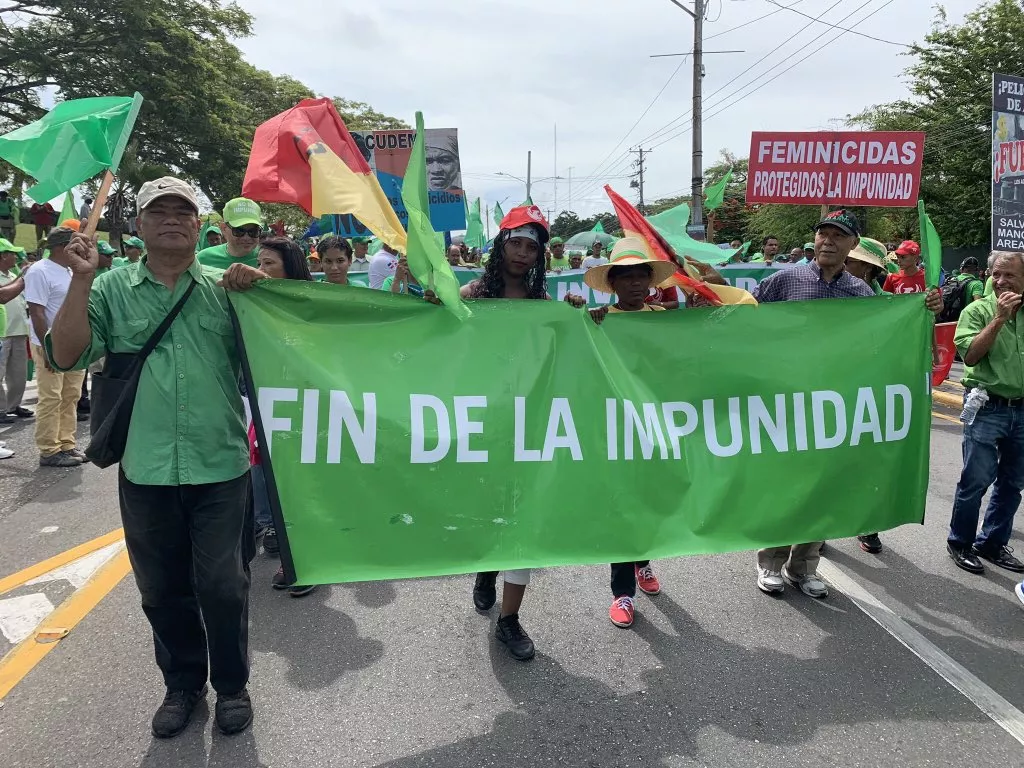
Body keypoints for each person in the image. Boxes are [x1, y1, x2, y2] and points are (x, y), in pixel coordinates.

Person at [47, 176, 255, 738]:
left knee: (222, 584)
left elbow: (287, 350)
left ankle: (233, 686)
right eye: (156, 211)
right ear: (138, 226)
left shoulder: (228, 288)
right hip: (147, 467)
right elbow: (66, 356)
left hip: (221, 463)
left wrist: (262, 289)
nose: (170, 218)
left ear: (199, 226)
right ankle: (182, 685)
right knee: (161, 590)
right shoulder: (110, 288)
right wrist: (80, 281)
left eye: (181, 211)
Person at [753, 210, 942, 596]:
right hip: (787, 403)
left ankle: (803, 567)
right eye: (823, 233)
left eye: (839, 236)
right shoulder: (783, 280)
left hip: (834, 407)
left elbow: (883, 339)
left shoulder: (859, 293)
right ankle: (770, 562)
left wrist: (924, 312)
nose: (828, 241)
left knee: (824, 487)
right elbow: (744, 319)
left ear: (853, 245)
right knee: (784, 485)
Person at [463, 205, 585, 661]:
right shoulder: (473, 294)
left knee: (523, 517)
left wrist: (577, 315)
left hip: (533, 426)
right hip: (485, 424)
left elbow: (570, 349)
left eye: (531, 247)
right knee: (491, 509)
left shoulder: (544, 306)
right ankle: (486, 570)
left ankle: (509, 620)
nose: (522, 252)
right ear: (501, 245)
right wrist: (439, 306)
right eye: (515, 242)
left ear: (540, 256)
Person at [583, 238, 677, 628]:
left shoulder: (665, 319)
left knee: (649, 500)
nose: (636, 284)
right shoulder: (601, 320)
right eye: (628, 277)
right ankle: (622, 593)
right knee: (623, 505)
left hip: (655, 427)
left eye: (642, 276)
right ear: (614, 284)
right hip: (616, 427)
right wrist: (584, 318)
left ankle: (644, 563)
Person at [946, 251, 1024, 576]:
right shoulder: (977, 310)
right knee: (976, 479)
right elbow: (972, 355)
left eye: (1010, 275)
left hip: (1021, 410)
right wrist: (999, 319)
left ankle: (992, 542)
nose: (1002, 281)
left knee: (1013, 482)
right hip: (986, 406)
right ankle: (960, 542)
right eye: (997, 274)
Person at [251, 238, 318, 598]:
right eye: (258, 264)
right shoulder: (254, 301)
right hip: (271, 403)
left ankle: (303, 561)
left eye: (269, 264)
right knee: (271, 477)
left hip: (311, 405)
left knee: (304, 481)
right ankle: (275, 532)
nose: (260, 271)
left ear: (289, 267)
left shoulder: (314, 301)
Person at [24, 228, 86, 467]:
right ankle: (49, 450)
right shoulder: (39, 271)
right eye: (76, 244)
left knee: (71, 395)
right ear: (63, 247)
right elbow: (37, 313)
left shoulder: (70, 270)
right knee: (51, 397)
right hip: (48, 344)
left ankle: (67, 444)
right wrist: (49, 349)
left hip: (72, 344)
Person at [0, 238, 29, 425]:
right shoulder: (15, 277)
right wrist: (21, 278)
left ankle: (13, 405)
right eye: (12, 253)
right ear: (3, 255)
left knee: (18, 374)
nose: (16, 257)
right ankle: (1, 409)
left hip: (19, 331)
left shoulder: (12, 274)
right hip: (3, 333)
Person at [197, 197, 263, 270]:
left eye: (253, 231)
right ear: (224, 229)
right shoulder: (204, 258)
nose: (246, 238)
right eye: (239, 231)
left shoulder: (269, 258)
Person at [938, 256, 986, 324]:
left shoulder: (951, 280)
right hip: (965, 321)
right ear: (976, 270)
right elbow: (977, 304)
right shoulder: (977, 283)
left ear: (961, 268)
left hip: (947, 319)